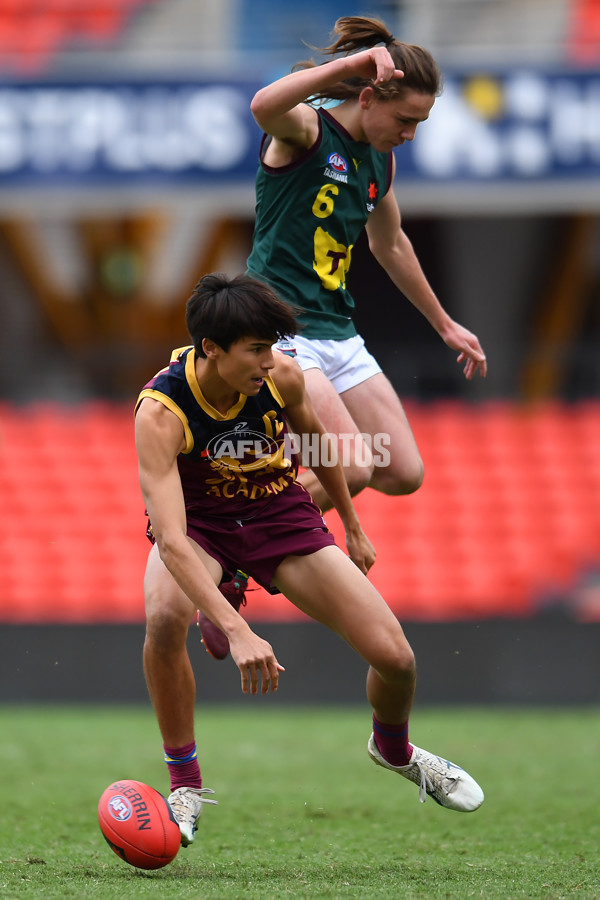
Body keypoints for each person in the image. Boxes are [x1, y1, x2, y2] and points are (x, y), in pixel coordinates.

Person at [135, 272, 484, 848]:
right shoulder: (161, 412)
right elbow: (170, 540)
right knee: (164, 617)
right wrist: (239, 631)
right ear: (211, 350)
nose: (270, 361)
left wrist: (351, 524)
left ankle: (392, 749)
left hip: (277, 514)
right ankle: (185, 783)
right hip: (202, 528)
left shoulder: (282, 376)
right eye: (256, 350)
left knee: (397, 659)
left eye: (272, 347)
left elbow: (322, 451)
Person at [198, 16, 488, 659]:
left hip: (338, 331)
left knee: (401, 470)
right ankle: (231, 556)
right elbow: (261, 104)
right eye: (404, 120)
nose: (409, 136)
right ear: (367, 96)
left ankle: (247, 518)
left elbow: (390, 244)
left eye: (419, 125)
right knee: (351, 466)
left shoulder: (378, 162)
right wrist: (346, 68)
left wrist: (444, 324)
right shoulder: (306, 130)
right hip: (280, 330)